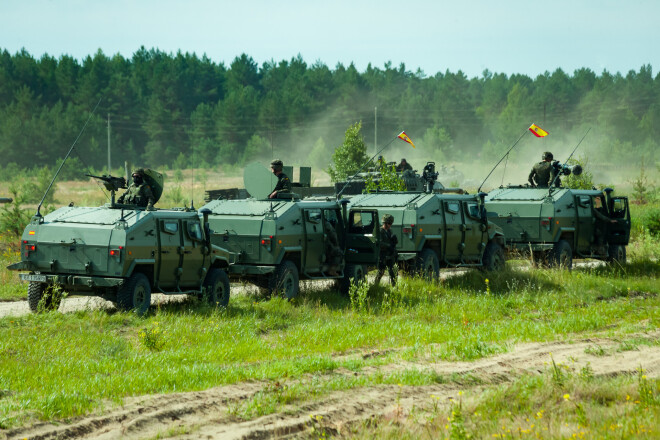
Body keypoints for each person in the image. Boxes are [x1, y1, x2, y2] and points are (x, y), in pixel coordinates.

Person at [374, 214, 398, 286]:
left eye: (391, 224)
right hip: (383, 255)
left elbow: (391, 242)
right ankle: (376, 285)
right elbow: (379, 243)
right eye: (389, 223)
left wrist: (394, 242)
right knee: (381, 272)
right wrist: (389, 246)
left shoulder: (389, 231)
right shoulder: (380, 231)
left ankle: (394, 287)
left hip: (390, 255)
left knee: (392, 272)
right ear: (384, 223)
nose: (390, 225)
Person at [323, 211, 343, 276]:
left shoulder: (320, 223)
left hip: (322, 244)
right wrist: (336, 244)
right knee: (338, 252)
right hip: (325, 245)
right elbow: (333, 237)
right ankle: (332, 270)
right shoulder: (327, 224)